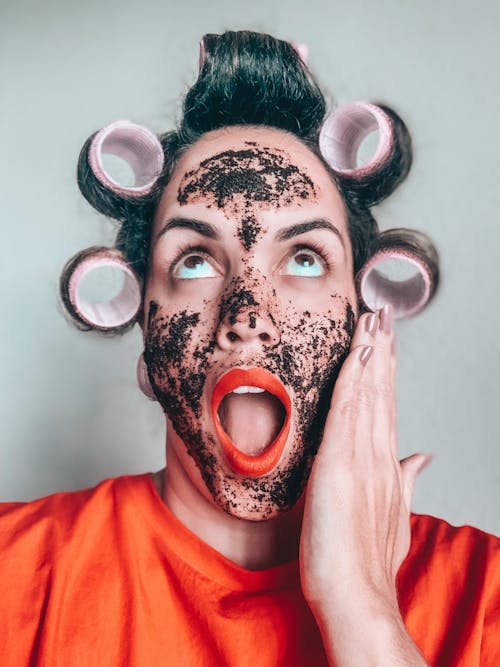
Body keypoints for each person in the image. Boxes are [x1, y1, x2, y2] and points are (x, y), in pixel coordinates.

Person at [1, 31, 498, 666]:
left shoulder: (484, 599)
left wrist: (361, 603)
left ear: (363, 314)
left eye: (305, 256)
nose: (249, 315)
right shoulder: (13, 576)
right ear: (146, 340)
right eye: (195, 261)